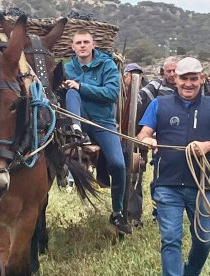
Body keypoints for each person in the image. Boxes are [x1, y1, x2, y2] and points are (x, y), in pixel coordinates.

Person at [136, 57, 210, 275]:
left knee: (204, 240)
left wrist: (208, 146)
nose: (188, 84)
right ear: (175, 80)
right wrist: (148, 140)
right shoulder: (159, 105)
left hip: (201, 186)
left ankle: (190, 272)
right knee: (170, 240)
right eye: (183, 79)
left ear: (201, 79)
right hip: (167, 184)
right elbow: (143, 134)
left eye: (193, 79)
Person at [64, 30, 131, 234]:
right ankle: (76, 129)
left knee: (119, 165)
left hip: (103, 123)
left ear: (93, 45)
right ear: (73, 47)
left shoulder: (107, 65)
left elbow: (111, 93)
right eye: (78, 43)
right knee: (70, 93)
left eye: (86, 42)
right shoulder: (68, 67)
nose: (82, 45)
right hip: (78, 123)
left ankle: (118, 212)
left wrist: (81, 86)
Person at [139, 56, 179, 222]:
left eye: (174, 70)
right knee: (159, 179)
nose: (171, 74)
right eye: (168, 71)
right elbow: (140, 99)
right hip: (161, 142)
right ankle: (158, 213)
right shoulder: (156, 86)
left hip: (184, 142)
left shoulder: (187, 88)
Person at [122, 63, 147, 228]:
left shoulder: (143, 96)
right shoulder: (118, 93)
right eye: (131, 74)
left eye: (137, 75)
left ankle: (134, 216)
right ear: (125, 77)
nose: (134, 78)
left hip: (138, 142)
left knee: (135, 178)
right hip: (120, 139)